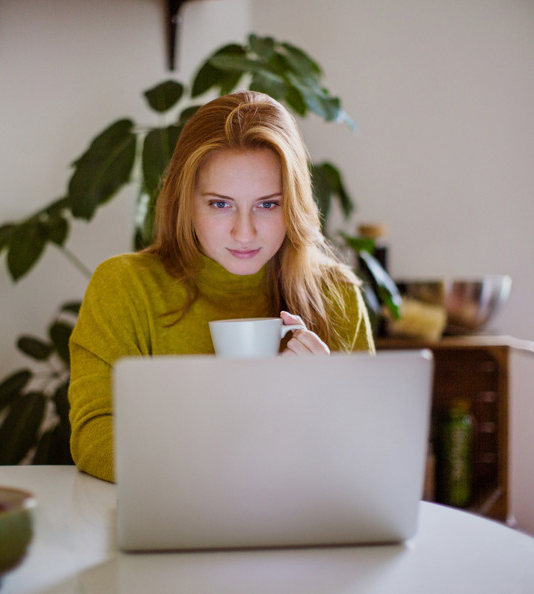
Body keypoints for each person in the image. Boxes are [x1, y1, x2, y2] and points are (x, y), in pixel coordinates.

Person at [68, 91, 374, 483]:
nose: (243, 232)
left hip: (300, 528)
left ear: (294, 204)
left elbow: (366, 457)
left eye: (267, 205)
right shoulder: (125, 287)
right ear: (185, 202)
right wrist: (221, 460)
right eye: (219, 204)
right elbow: (94, 437)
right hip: (170, 524)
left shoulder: (336, 295)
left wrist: (321, 404)